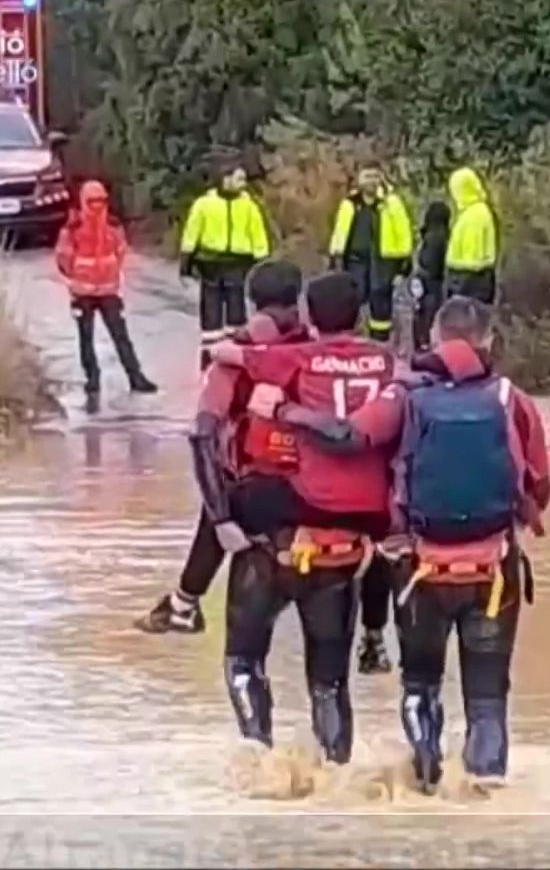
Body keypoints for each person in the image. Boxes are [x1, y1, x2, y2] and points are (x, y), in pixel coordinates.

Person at [277, 296, 550, 792]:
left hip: (420, 569)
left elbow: (352, 437)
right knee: (488, 699)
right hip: (494, 570)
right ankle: (486, 788)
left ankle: (424, 781)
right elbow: (539, 489)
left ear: (432, 340)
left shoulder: (403, 395)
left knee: (420, 685)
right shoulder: (513, 399)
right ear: (488, 342)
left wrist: (285, 411)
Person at [205, 272, 400, 759]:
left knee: (244, 661)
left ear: (310, 317)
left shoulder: (298, 358)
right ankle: (338, 767)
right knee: (329, 686)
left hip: (286, 526)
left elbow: (229, 363)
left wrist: (228, 344)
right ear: (360, 317)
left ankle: (256, 756)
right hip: (350, 540)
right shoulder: (388, 363)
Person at [134, 259, 310, 635]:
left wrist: (220, 519)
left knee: (226, 488)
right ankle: (375, 632)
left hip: (258, 489)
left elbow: (203, 436)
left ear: (250, 301)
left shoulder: (234, 358)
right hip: (326, 491)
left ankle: (185, 602)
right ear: (299, 300)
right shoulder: (322, 351)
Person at [54, 180, 157, 415]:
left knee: (121, 336)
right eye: (92, 201)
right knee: (86, 338)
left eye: (101, 200)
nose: (97, 206)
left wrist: (110, 273)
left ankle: (135, 377)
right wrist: (76, 278)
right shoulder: (73, 228)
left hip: (108, 290)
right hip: (83, 292)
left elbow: (120, 250)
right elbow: (63, 257)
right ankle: (93, 378)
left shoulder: (112, 226)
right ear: (83, 202)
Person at [179, 158, 272, 368]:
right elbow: (192, 232)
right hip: (210, 262)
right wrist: (186, 260)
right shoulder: (204, 204)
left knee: (236, 310)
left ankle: (234, 355)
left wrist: (262, 261)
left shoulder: (248, 206)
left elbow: (258, 235)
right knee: (211, 310)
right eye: (239, 179)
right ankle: (209, 355)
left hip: (239, 263)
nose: (243, 183)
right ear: (225, 179)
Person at [328, 167, 413, 343]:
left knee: (380, 300)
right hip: (355, 261)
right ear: (359, 180)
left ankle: (380, 341)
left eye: (375, 176)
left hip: (383, 261)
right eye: (367, 176)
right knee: (352, 299)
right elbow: (340, 232)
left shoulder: (391, 203)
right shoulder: (350, 204)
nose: (371, 180)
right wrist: (335, 257)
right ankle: (351, 340)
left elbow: (404, 233)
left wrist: (404, 264)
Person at [444, 167, 498, 305]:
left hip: (470, 283)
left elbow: (471, 260)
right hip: (470, 281)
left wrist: (457, 287)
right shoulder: (472, 212)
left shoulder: (475, 215)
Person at [411, 199, 451, 352]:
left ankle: (423, 348)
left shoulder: (432, 237)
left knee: (423, 321)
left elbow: (428, 263)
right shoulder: (443, 236)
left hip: (428, 286)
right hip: (435, 285)